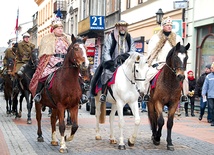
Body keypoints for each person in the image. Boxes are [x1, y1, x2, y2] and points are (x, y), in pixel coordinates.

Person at [142, 16, 188, 102]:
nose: (169, 26)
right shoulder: (155, 38)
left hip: (173, 65)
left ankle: (184, 95)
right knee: (148, 76)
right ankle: (146, 94)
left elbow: (181, 51)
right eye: (167, 25)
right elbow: (151, 52)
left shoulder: (177, 38)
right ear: (163, 26)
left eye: (171, 25)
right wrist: (154, 62)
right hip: (159, 63)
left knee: (185, 78)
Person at [29, 17, 71, 103]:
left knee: (79, 76)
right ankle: (38, 94)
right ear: (54, 30)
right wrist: (55, 63)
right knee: (42, 76)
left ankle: (82, 95)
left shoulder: (68, 38)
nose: (60, 30)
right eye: (58, 28)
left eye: (61, 28)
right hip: (52, 63)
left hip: (66, 63)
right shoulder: (47, 38)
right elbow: (46, 54)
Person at [100, 20, 136, 102]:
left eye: (124, 26)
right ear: (117, 27)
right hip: (113, 62)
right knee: (106, 73)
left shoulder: (129, 37)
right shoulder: (111, 36)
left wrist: (126, 56)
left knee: (136, 73)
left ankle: (138, 94)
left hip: (126, 62)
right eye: (121, 26)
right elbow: (106, 51)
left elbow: (133, 50)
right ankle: (104, 93)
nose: (123, 28)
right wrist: (110, 62)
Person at [202, 62, 214, 126]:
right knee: (211, 108)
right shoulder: (208, 76)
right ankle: (212, 120)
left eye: (212, 68)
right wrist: (203, 93)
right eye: (211, 68)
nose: (211, 69)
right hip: (210, 96)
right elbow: (205, 86)